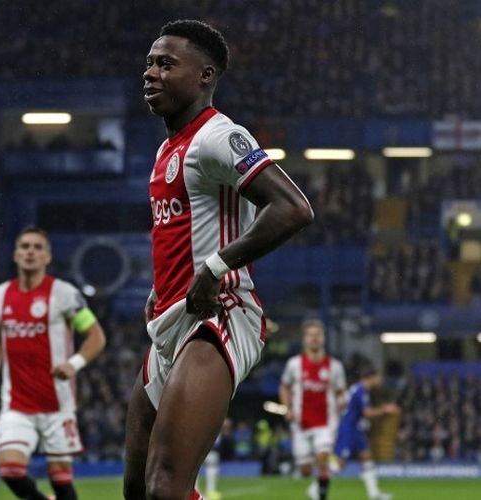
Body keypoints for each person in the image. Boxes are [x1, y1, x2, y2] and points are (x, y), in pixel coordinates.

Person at [123, 19, 313, 500]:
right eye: (149, 63)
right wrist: (157, 291)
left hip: (220, 314)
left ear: (205, 75)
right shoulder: (169, 147)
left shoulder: (218, 136)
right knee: (136, 491)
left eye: (166, 64)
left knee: (166, 487)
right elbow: (183, 232)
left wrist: (213, 268)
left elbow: (293, 208)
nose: (150, 73)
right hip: (170, 323)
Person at [0, 226, 106, 500]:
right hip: (17, 405)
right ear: (15, 255)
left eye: (37, 247)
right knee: (10, 470)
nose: (30, 252)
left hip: (57, 405)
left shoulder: (64, 294)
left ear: (47, 257)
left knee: (61, 481)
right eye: (24, 247)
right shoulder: (0, 295)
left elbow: (96, 336)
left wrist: (74, 363)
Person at [279, 319, 346, 500]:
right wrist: (288, 408)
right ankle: (316, 485)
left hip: (326, 422)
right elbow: (284, 387)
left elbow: (340, 392)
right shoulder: (294, 364)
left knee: (322, 459)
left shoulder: (335, 366)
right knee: (306, 470)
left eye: (318, 334)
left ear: (323, 338)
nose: (314, 338)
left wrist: (341, 401)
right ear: (304, 339)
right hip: (301, 423)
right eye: (310, 335)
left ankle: (321, 495)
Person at [334, 365, 400, 500]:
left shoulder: (357, 388)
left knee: (367, 457)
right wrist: (385, 409)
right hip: (348, 428)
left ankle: (374, 493)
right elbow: (368, 413)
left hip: (355, 428)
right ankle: (317, 487)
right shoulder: (361, 391)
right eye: (378, 377)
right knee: (340, 463)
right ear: (371, 378)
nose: (379, 380)